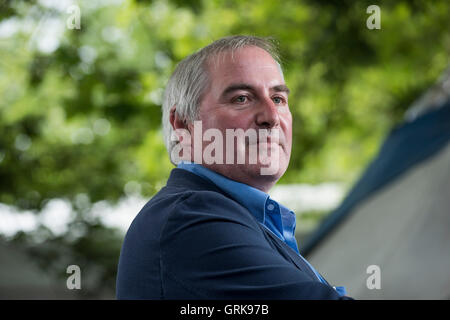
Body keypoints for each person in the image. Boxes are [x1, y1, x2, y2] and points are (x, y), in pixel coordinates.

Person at [116, 35, 352, 299]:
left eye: (278, 99)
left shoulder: (240, 217)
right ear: (183, 124)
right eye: (242, 98)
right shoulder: (193, 219)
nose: (271, 117)